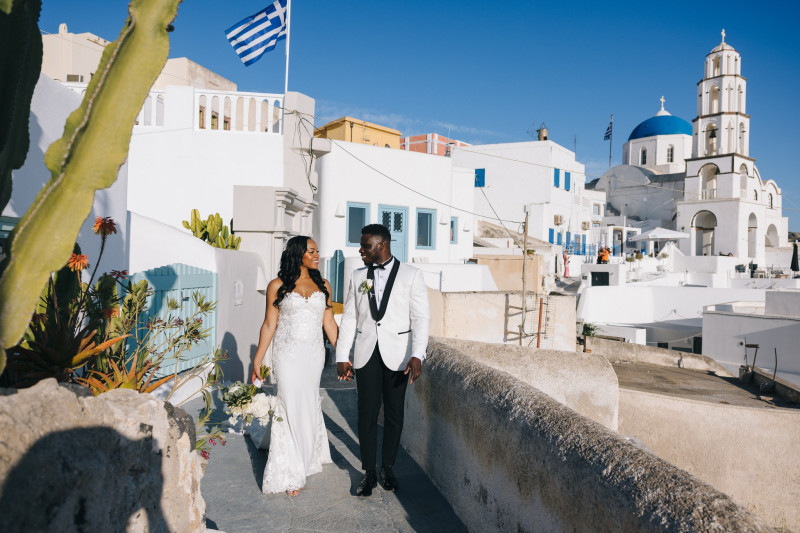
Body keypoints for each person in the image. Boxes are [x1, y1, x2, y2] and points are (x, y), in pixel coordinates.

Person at [336, 224, 430, 497]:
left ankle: (388, 467)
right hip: (366, 353)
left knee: (394, 413)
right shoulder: (358, 276)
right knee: (366, 413)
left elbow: (421, 318)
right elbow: (350, 317)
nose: (360, 250)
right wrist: (342, 355)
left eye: (365, 246)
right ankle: (369, 472)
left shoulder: (412, 275)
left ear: (382, 245)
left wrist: (417, 354)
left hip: (399, 355)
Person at [251, 236, 338, 496]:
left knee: (308, 402)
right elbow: (269, 324)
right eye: (311, 251)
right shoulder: (277, 285)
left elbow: (329, 323)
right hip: (286, 354)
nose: (316, 255)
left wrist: (344, 355)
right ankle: (292, 469)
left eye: (317, 251)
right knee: (289, 403)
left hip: (313, 355)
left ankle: (307, 452)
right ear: (297, 254)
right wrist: (258, 359)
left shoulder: (324, 285)